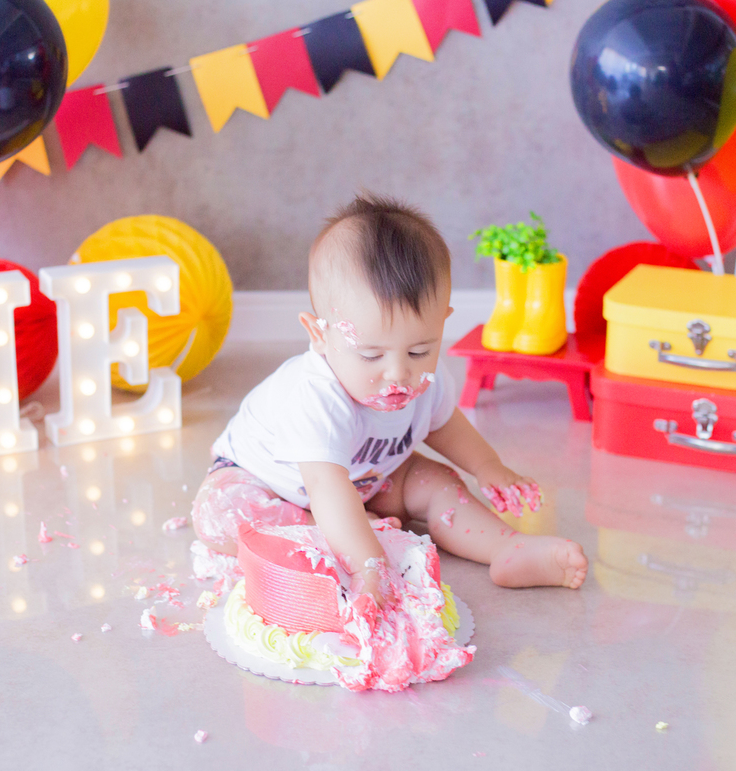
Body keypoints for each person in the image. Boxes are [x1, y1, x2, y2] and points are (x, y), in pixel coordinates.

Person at [192, 193, 587, 605]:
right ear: (320, 335)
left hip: (368, 478)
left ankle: (508, 549)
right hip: (270, 482)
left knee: (436, 482)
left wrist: (488, 467)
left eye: (419, 350)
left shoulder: (424, 381)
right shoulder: (314, 397)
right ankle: (347, 536)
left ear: (442, 324)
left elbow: (445, 425)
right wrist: (367, 563)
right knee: (222, 515)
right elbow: (326, 486)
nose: (400, 373)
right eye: (371, 355)